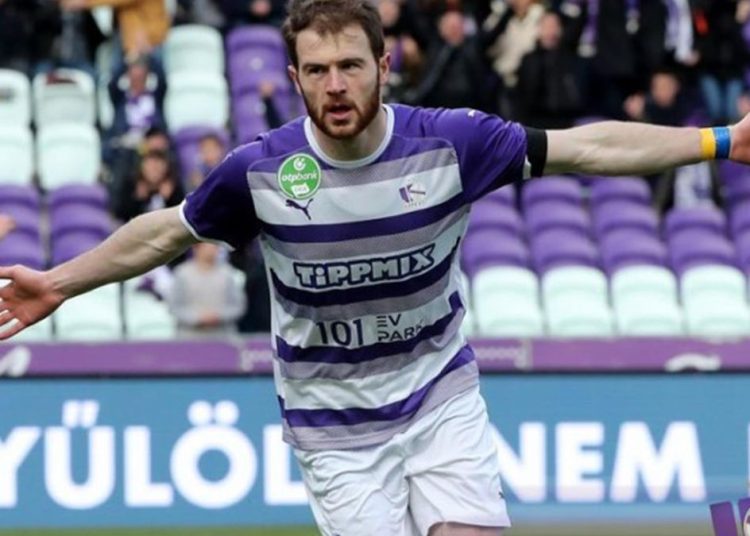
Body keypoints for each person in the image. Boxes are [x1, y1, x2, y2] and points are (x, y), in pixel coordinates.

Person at [1, 0, 750, 534]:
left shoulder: (452, 143)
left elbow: (589, 148)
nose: (336, 86)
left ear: (384, 66)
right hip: (334, 426)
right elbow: (162, 235)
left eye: (351, 66)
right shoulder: (261, 171)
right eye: (317, 70)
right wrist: (58, 284)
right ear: (295, 77)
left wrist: (720, 140)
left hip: (439, 394)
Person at [167, 242, 246, 337]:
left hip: (222, 337)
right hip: (189, 337)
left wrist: (218, 316)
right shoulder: (182, 273)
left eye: (216, 247)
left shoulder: (227, 273)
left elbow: (238, 306)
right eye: (208, 247)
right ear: (196, 248)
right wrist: (197, 318)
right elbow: (174, 307)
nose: (213, 250)